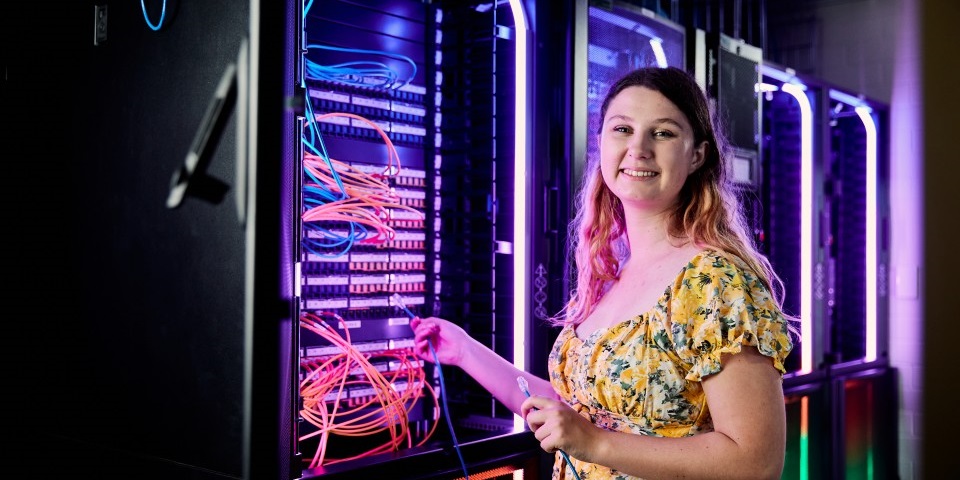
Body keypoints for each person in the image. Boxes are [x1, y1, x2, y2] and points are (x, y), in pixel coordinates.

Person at [410, 66, 796, 480]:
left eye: (663, 133)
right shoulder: (611, 273)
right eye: (622, 129)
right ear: (601, 143)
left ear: (697, 154)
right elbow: (579, 414)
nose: (639, 149)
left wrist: (593, 443)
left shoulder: (715, 281)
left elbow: (757, 464)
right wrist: (465, 352)